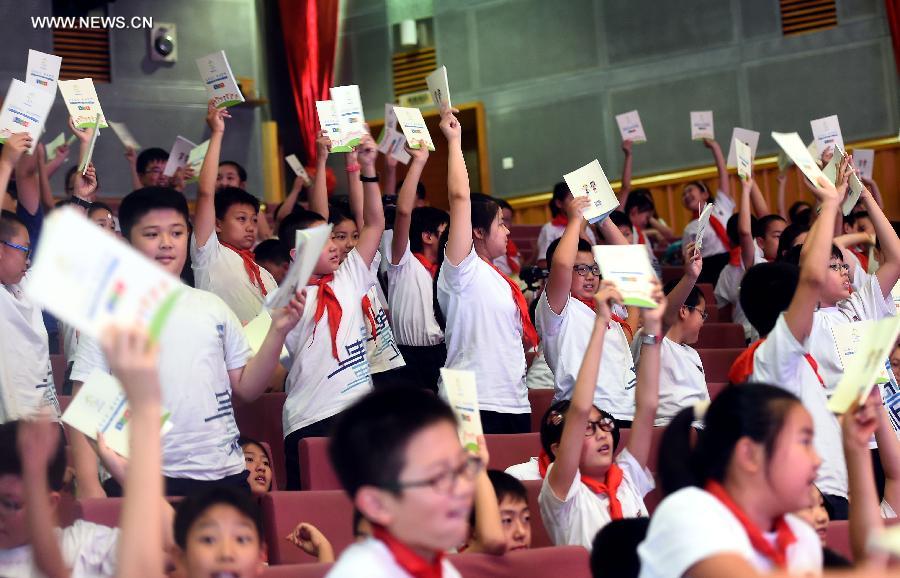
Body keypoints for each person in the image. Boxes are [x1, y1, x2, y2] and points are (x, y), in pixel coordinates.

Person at [69, 186, 305, 498]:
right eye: (152, 234)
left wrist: (277, 332)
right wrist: (88, 483)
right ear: (126, 243)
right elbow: (85, 398)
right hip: (144, 476)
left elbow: (246, 387)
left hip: (224, 472)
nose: (167, 243)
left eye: (177, 233)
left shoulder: (212, 306)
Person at [730, 169, 850, 519]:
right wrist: (829, 205)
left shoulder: (790, 353)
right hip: (814, 496)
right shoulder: (775, 354)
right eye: (802, 299)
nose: (810, 303)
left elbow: (807, 269)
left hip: (832, 491)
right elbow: (811, 277)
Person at [277, 132, 385, 490]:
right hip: (309, 418)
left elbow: (374, 224)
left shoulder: (350, 274)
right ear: (298, 254)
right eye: (326, 241)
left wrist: (367, 168)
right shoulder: (284, 298)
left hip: (359, 417)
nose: (337, 245)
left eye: (336, 238)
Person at [640, 384, 826, 577]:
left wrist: (854, 448)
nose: (817, 460)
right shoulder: (688, 511)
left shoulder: (803, 536)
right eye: (805, 442)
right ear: (750, 455)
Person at [539, 280, 663, 549]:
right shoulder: (563, 493)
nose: (602, 433)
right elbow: (581, 407)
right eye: (588, 428)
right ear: (559, 450)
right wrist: (600, 325)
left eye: (604, 425)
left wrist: (652, 329)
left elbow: (648, 407)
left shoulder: (628, 477)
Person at [435, 106, 534, 434]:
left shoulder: (503, 281)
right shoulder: (462, 270)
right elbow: (460, 198)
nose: (507, 232)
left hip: (514, 400)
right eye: (500, 224)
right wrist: (454, 140)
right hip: (470, 399)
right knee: (469, 486)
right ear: (477, 231)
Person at [326, 387, 477, 577]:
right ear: (377, 504)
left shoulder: (443, 569)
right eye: (439, 477)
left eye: (463, 468)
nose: (464, 488)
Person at [537, 197, 637, 426]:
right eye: (580, 269)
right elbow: (561, 265)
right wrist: (575, 221)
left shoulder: (608, 311)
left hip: (625, 412)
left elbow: (633, 266)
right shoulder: (559, 309)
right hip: (583, 413)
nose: (591, 275)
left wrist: (603, 219)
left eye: (594, 269)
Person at [192, 101, 277, 324]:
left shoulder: (264, 273)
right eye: (241, 219)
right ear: (217, 224)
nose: (250, 226)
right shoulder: (209, 253)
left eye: (254, 220)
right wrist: (217, 132)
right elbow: (205, 193)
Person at [0, 133, 62, 424]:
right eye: (24, 250)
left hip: (43, 424)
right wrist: (5, 161)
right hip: (9, 432)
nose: (28, 259)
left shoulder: (25, 284)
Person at [387, 140, 449, 393]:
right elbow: (403, 212)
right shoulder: (403, 263)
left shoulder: (447, 271)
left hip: (443, 353)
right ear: (427, 236)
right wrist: (418, 162)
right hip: (408, 357)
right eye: (446, 232)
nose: (451, 238)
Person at [680, 138, 733, 285]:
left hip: (733, 258)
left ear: (704, 194)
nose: (686, 196)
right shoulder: (690, 228)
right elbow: (688, 258)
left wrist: (715, 147)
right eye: (683, 195)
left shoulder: (721, 207)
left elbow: (723, 175)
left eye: (690, 190)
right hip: (709, 268)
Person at [465, 470, 531, 553]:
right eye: (506, 520)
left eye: (526, 518)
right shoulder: (452, 564)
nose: (521, 532)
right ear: (470, 533)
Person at [535, 182, 597, 269]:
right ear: (559, 203)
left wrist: (581, 231)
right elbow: (543, 263)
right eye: (573, 199)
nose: (578, 203)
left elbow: (595, 258)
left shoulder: (585, 227)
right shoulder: (549, 229)